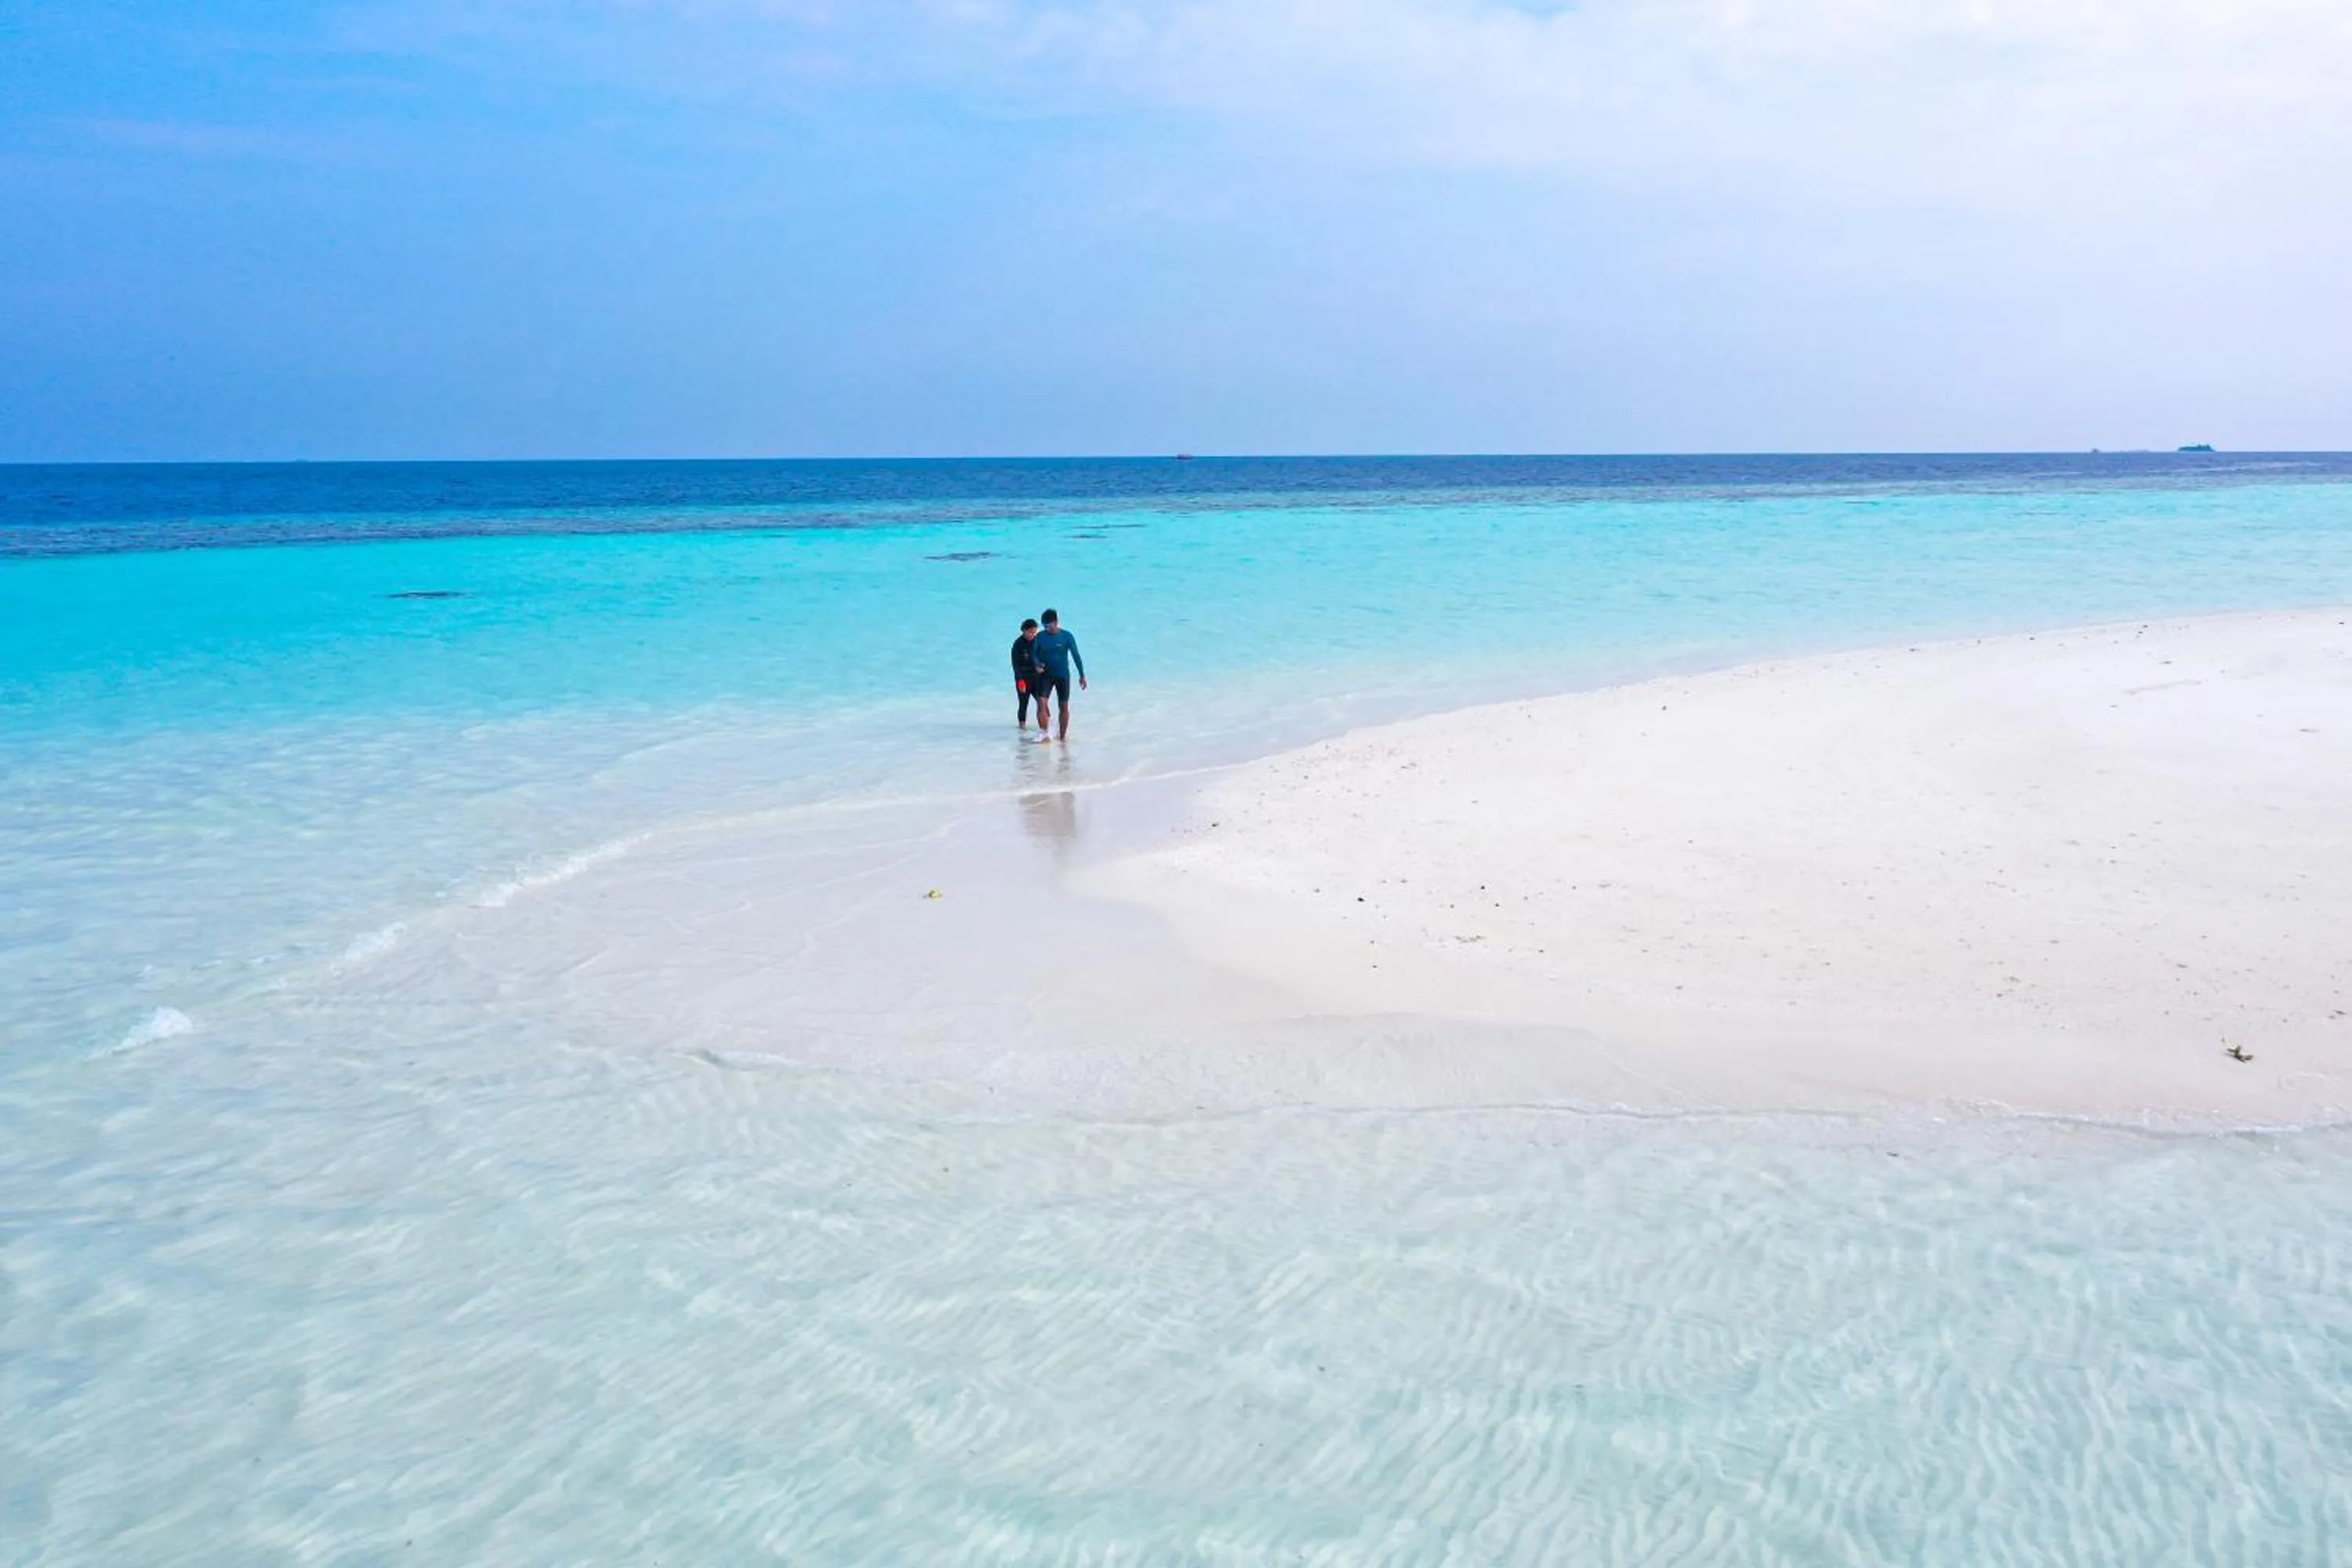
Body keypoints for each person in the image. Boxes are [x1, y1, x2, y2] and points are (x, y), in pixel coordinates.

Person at [1029, 608, 1087, 741]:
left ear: (1056, 622)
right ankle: (1045, 733)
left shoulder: (1067, 636)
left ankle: (1062, 737)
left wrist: (1082, 675)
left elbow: (1076, 656)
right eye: (1044, 626)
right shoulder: (1040, 637)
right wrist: (1037, 664)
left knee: (1064, 706)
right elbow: (1034, 654)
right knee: (1041, 703)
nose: (1047, 629)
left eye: (1049, 626)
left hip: (1062, 675)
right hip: (1046, 675)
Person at [1010, 618, 1048, 732]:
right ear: (1024, 630)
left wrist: (1043, 667)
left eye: (1035, 632)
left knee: (1042, 703)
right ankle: (1022, 729)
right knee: (1023, 703)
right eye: (1030, 632)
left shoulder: (1037, 642)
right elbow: (1016, 665)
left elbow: (1043, 658)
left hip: (1037, 679)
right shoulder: (1018, 644)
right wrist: (1020, 681)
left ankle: (1047, 727)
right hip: (1023, 679)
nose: (1033, 635)